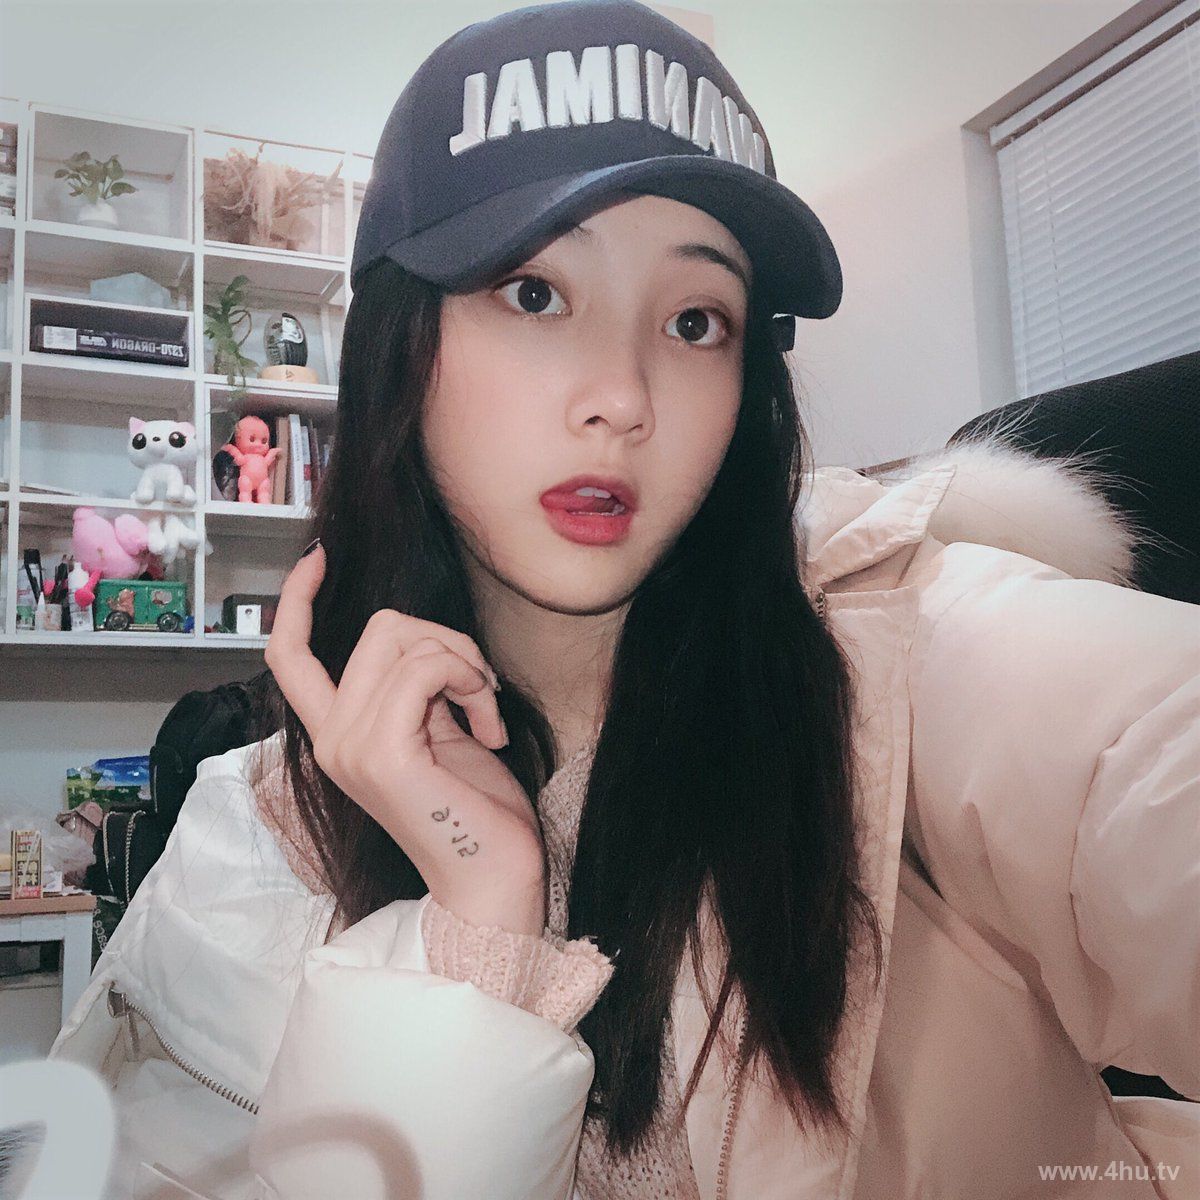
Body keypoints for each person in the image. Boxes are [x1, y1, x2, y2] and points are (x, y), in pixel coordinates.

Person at [48, 2, 1198, 1198]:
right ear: (400, 341)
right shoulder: (255, 839)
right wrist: (476, 935)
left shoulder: (906, 659)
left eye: (696, 321)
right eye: (535, 293)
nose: (623, 396)